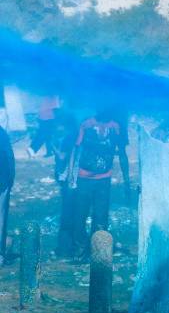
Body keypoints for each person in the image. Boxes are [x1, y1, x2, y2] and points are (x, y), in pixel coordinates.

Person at [67, 110, 129, 260]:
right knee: (80, 216)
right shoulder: (86, 125)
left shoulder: (116, 127)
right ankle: (80, 252)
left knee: (101, 217)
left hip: (103, 179)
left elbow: (122, 153)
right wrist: (71, 175)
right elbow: (75, 149)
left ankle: (98, 252)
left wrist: (127, 180)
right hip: (84, 178)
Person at [50, 111, 79, 258]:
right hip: (72, 180)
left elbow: (62, 157)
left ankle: (64, 249)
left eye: (57, 124)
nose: (55, 126)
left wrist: (53, 147)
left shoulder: (68, 138)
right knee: (73, 214)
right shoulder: (73, 136)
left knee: (67, 216)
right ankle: (71, 247)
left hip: (69, 181)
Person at [0, 124, 15, 266]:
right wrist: (10, 180)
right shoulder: (2, 133)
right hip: (2, 180)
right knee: (0, 219)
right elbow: (8, 156)